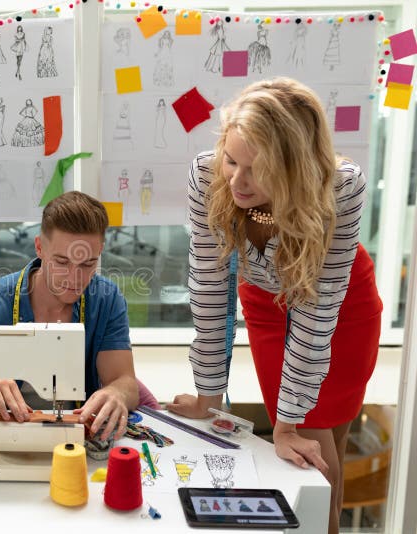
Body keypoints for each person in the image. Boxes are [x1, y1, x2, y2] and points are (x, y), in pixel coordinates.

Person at [168, 78, 382, 534]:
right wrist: (209, 396)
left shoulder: (342, 186)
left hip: (339, 305)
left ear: (295, 166)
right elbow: (209, 289)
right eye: (231, 160)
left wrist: (285, 426)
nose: (237, 181)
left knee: (322, 439)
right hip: (265, 301)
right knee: (318, 446)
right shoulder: (206, 174)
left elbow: (317, 308)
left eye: (258, 170)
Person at [0, 191, 159, 440]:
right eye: (61, 262)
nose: (75, 279)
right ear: (40, 247)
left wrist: (117, 393)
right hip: (2, 443)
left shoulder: (106, 300)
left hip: (80, 443)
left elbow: (126, 382)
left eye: (87, 264)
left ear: (100, 251)